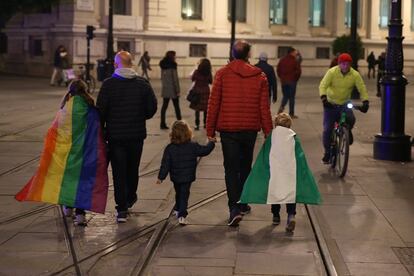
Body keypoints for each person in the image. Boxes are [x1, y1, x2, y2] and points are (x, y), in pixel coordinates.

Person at [16, 79, 109, 226]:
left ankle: (68, 208)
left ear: (70, 91)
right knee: (83, 182)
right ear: (85, 90)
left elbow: (54, 132)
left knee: (68, 179)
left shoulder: (65, 109)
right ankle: (80, 215)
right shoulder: (90, 108)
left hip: (67, 155)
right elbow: (97, 132)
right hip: (85, 154)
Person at [206, 40, 273, 227]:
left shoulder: (222, 74)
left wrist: (210, 130)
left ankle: (233, 208)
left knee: (230, 168)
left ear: (233, 53)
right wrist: (269, 131)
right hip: (249, 129)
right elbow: (264, 108)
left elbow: (214, 104)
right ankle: (243, 203)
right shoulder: (260, 76)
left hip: (228, 129)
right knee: (245, 167)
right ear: (248, 55)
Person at [97, 51, 157, 223]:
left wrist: (102, 130)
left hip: (115, 137)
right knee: (132, 168)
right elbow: (151, 108)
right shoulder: (143, 84)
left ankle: (121, 208)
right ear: (131, 64)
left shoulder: (108, 85)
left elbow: (101, 111)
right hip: (136, 135)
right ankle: (130, 197)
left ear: (116, 65)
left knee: (118, 171)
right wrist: (139, 116)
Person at [239, 112, 321, 233]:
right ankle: (291, 215)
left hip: (275, 172)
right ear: (289, 125)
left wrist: (263, 170)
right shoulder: (293, 137)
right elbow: (299, 155)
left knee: (275, 193)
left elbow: (265, 155)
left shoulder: (272, 137)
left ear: (275, 124)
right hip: (290, 172)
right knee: (290, 194)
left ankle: (276, 216)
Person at [156, 120, 216, 225]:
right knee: (184, 194)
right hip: (187, 177)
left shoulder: (169, 148)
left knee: (178, 192)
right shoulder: (193, 146)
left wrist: (161, 177)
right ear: (188, 132)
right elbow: (205, 151)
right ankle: (182, 215)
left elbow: (165, 164)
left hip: (175, 177)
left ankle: (178, 209)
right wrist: (211, 143)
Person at [319, 53, 369, 164]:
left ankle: (347, 130)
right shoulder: (332, 72)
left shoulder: (354, 74)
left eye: (347, 64)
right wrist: (324, 98)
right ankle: (327, 152)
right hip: (331, 104)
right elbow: (323, 85)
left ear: (350, 64)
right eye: (343, 63)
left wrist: (365, 101)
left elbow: (362, 87)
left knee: (351, 119)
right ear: (339, 64)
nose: (345, 66)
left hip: (344, 103)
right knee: (327, 130)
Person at [277, 47, 302, 118]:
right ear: (291, 52)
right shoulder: (295, 61)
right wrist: (295, 79)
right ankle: (291, 113)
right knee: (291, 98)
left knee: (285, 96)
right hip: (292, 81)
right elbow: (298, 71)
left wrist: (281, 77)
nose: (296, 53)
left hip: (284, 81)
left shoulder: (282, 60)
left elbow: (278, 70)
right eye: (294, 52)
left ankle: (281, 109)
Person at [160, 50, 182, 129]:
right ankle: (180, 123)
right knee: (177, 107)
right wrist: (178, 90)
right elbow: (175, 79)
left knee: (164, 107)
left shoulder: (163, 65)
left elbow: (162, 78)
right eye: (174, 56)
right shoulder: (173, 66)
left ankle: (162, 123)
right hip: (173, 89)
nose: (175, 57)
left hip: (165, 88)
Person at [190, 58, 213, 130]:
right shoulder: (208, 72)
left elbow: (193, 79)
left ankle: (197, 124)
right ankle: (205, 124)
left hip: (197, 91)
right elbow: (211, 81)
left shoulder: (197, 71)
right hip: (206, 91)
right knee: (206, 109)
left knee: (197, 109)